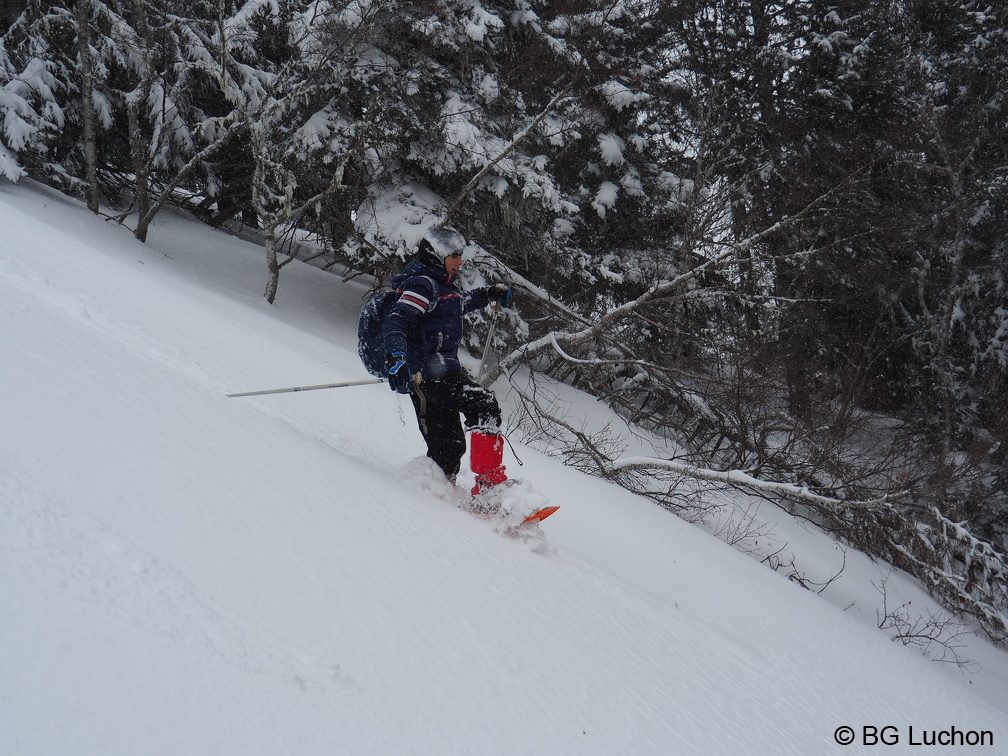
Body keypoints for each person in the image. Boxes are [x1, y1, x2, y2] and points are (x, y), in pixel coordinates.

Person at [381, 227, 513, 497]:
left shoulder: (442, 287)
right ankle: (490, 486)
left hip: (442, 371)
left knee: (450, 447)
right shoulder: (422, 285)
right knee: (483, 403)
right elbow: (398, 320)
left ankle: (436, 493)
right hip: (426, 375)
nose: (460, 261)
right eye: (454, 255)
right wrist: (397, 357)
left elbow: (457, 304)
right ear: (436, 256)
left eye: (460, 255)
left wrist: (487, 294)